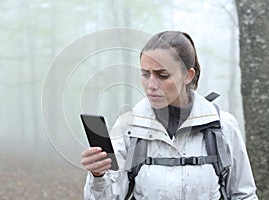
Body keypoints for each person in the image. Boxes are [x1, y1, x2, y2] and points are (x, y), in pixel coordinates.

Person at [81, 31, 258, 199]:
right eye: (145, 74)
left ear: (188, 75)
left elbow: (244, 195)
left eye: (162, 75)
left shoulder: (223, 126)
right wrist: (98, 175)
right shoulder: (128, 127)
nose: (150, 85)